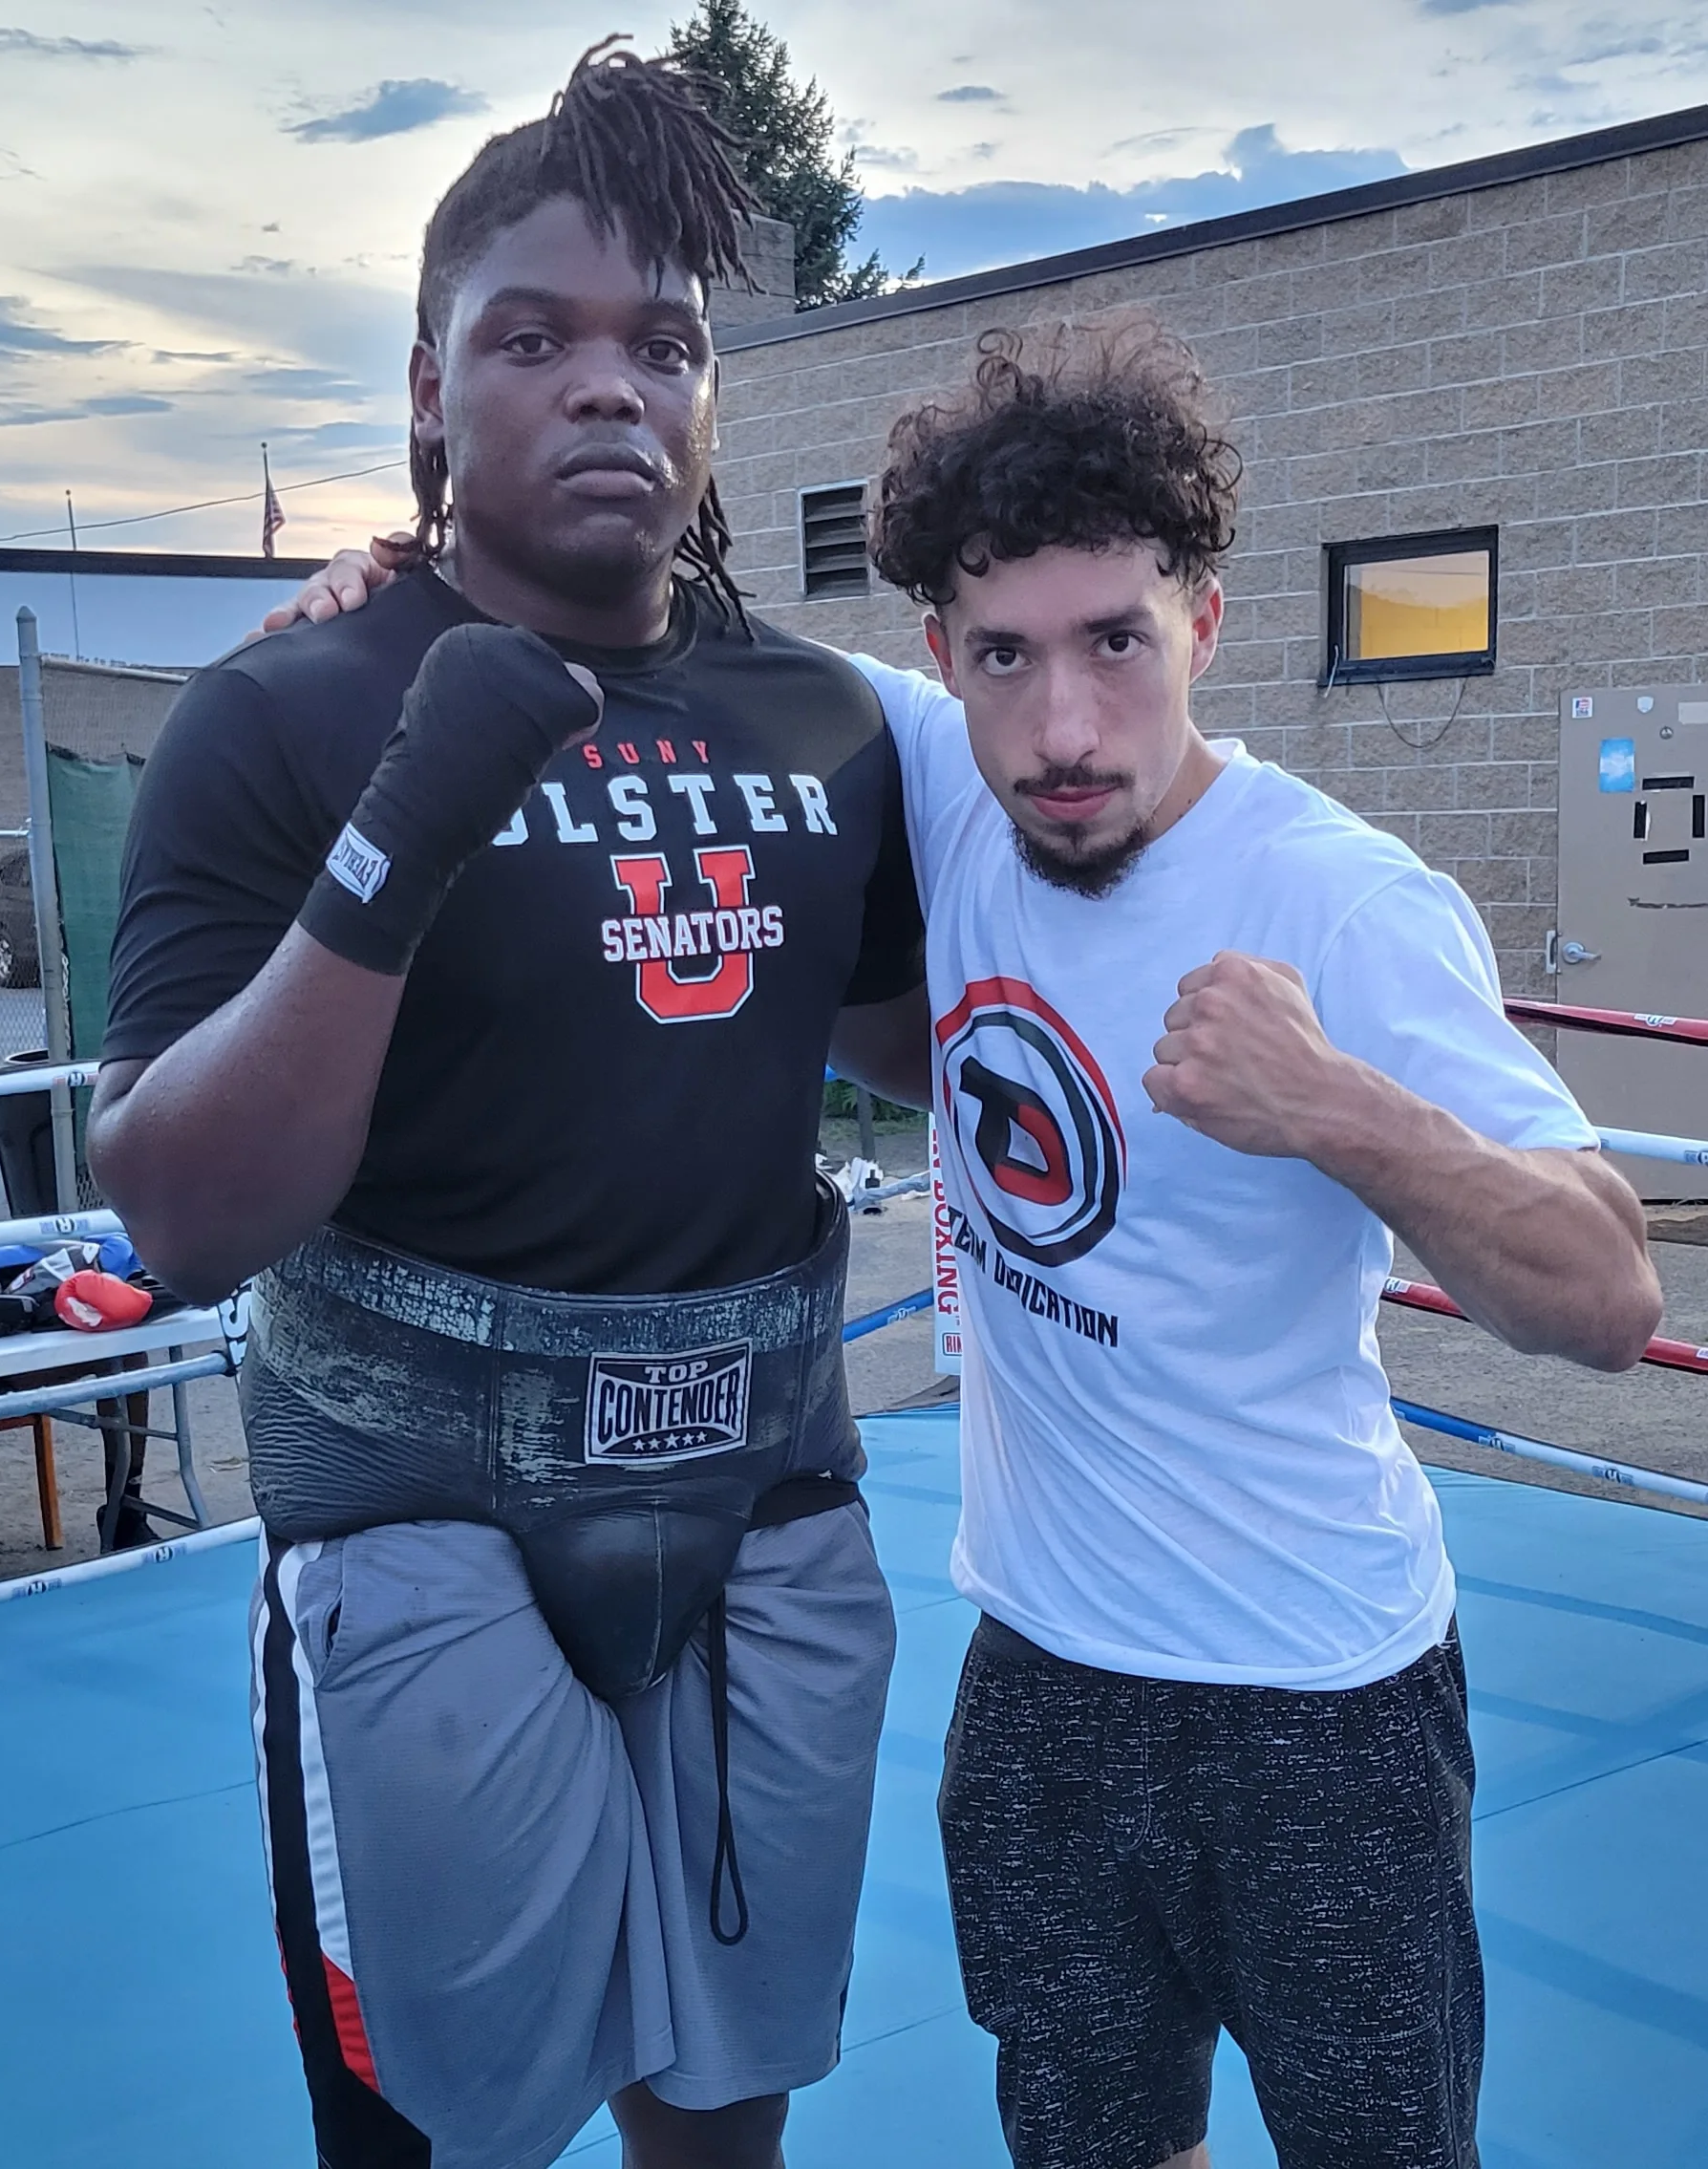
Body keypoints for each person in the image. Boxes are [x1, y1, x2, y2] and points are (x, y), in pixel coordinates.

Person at [289, 324, 1663, 2169]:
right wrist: (408, 585)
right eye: (1006, 654)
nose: (1065, 727)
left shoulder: (1340, 901)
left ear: (1207, 626)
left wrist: (1344, 1108)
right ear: (943, 657)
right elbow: (647, 638)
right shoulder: (940, 767)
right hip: (1043, 1678)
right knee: (1089, 2145)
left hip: (1319, 1693)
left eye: (1118, 643)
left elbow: (1607, 1290)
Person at [89, 44, 928, 2169]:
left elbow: (932, 1046)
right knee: (435, 2132)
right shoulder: (283, 711)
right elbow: (180, 1214)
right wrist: (410, 823)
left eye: (665, 344)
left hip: (758, 1489)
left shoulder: (824, 718)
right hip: (417, 1509)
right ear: (430, 385)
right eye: (532, 337)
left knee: (726, 2110)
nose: (607, 387)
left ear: (712, 398)